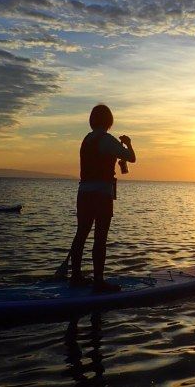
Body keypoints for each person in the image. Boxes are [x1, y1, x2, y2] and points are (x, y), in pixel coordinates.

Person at [70, 104, 136, 292]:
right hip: (101, 195)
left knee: (81, 234)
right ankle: (98, 281)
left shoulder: (87, 139)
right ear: (109, 121)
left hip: (83, 193)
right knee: (100, 237)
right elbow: (131, 158)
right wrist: (128, 143)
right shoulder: (107, 140)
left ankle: (75, 276)